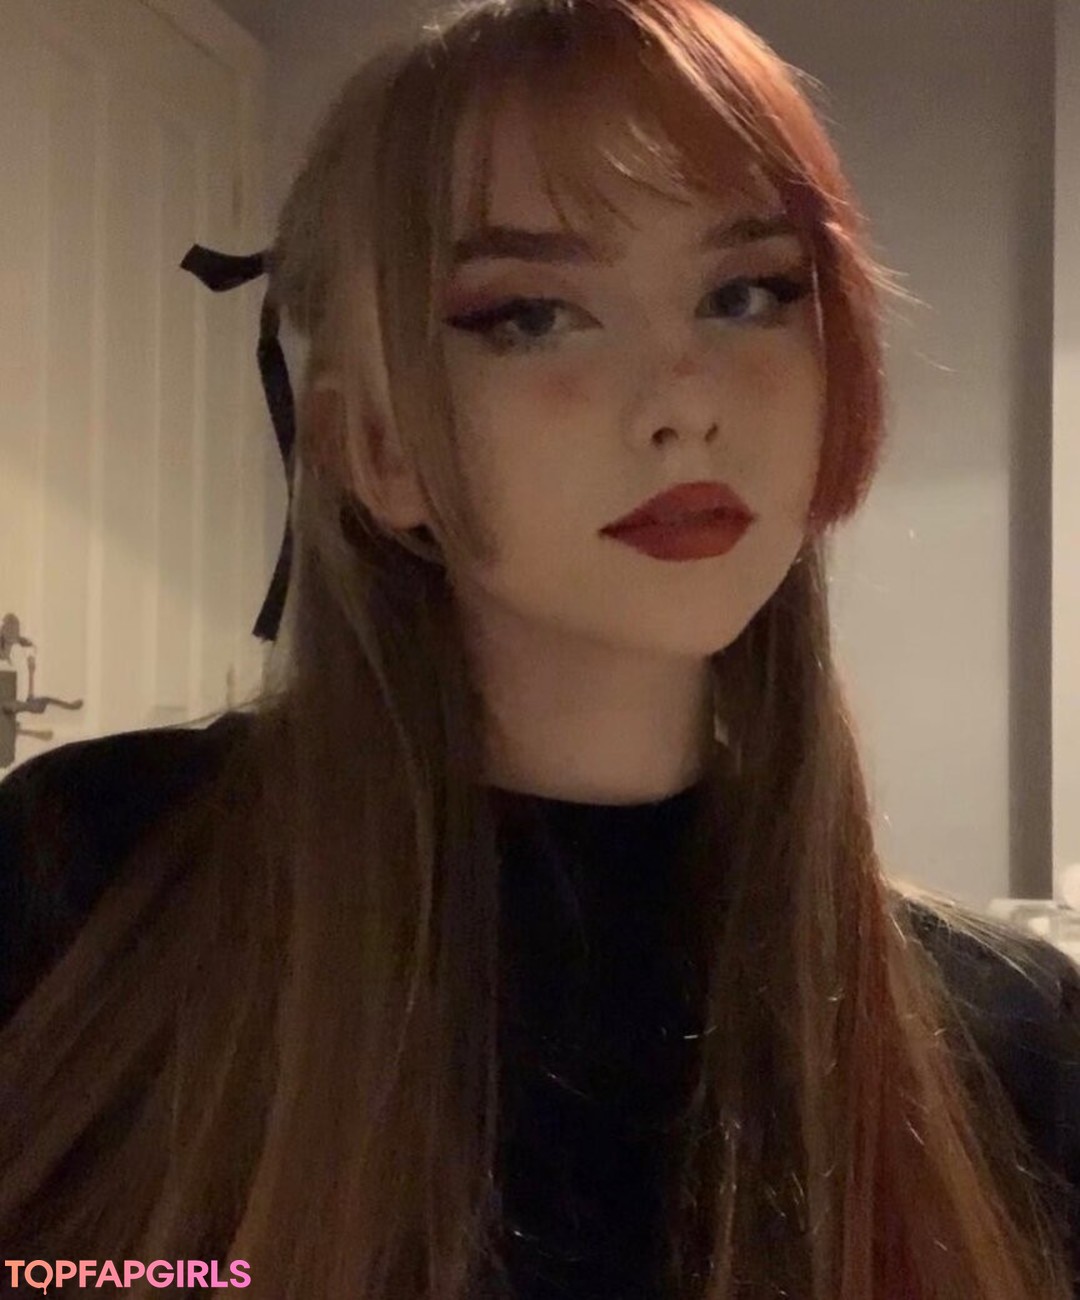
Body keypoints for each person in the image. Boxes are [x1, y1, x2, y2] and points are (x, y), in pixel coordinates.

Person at [1, 0, 1078, 1296]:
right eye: (532, 316)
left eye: (746, 294)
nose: (684, 402)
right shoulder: (86, 884)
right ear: (376, 447)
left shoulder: (1010, 1039)